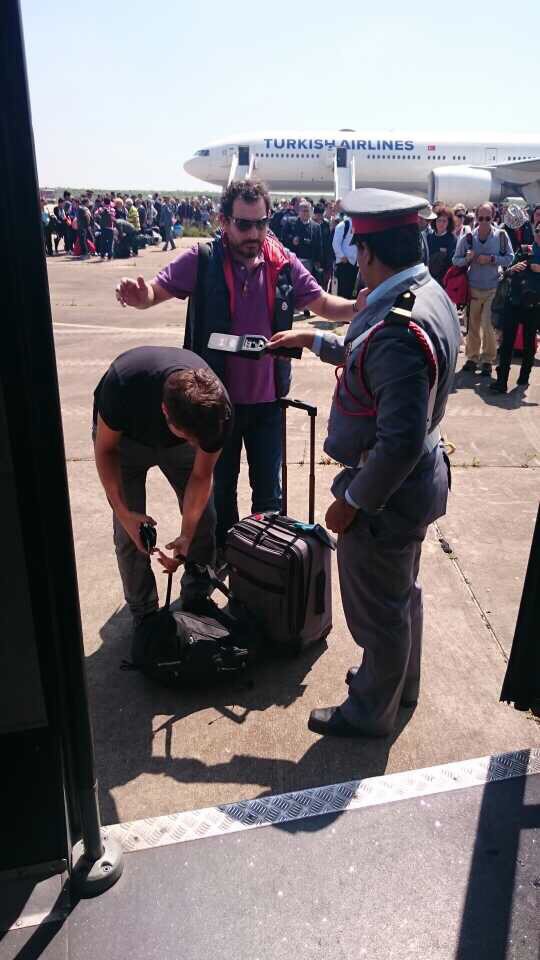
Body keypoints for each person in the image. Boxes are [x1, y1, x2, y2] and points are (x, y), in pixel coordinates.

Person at [268, 188, 461, 738]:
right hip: (417, 480)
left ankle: (370, 709)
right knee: (400, 595)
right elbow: (370, 354)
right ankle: (400, 684)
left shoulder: (400, 325)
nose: (354, 260)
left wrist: (351, 502)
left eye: (357, 250)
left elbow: (397, 440)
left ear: (372, 252)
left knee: (378, 610)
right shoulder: (423, 291)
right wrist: (318, 340)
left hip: (389, 491)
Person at [115, 179, 364, 554]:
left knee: (269, 496)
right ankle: (226, 559)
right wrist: (140, 296)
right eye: (244, 224)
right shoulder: (202, 259)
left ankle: (265, 566)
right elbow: (156, 290)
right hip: (216, 405)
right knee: (221, 493)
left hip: (267, 403)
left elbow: (324, 304)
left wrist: (358, 306)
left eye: (261, 223)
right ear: (223, 221)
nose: (254, 233)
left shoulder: (282, 263)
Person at [93, 346, 233, 628]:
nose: (197, 445)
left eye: (199, 440)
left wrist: (186, 536)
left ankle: (197, 596)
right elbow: (105, 451)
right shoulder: (122, 386)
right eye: (191, 438)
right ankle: (144, 613)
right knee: (129, 533)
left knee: (204, 518)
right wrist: (123, 513)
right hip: (126, 442)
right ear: (165, 411)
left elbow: (201, 476)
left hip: (175, 441)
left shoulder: (216, 413)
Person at [453, 202, 513, 376]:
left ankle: (487, 359)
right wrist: (467, 259)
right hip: (472, 287)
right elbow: (455, 260)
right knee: (472, 325)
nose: (484, 221)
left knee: (487, 324)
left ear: (494, 217)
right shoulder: (468, 238)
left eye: (488, 218)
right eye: (481, 218)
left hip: (493, 286)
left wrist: (492, 259)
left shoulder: (501, 236)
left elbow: (510, 258)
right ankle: (472, 358)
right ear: (476, 218)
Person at [490, 223, 540, 392]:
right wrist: (512, 269)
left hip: (534, 305)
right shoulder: (525, 249)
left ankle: (524, 377)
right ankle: (501, 380)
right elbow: (508, 271)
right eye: (538, 231)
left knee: (529, 343)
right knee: (507, 343)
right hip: (515, 301)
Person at [426, 205, 457, 284]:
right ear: (434, 221)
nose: (441, 223)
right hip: (427, 278)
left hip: (443, 281)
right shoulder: (429, 237)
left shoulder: (452, 239)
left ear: (449, 223)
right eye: (439, 220)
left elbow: (451, 262)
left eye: (444, 221)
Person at [332, 212, 358, 297]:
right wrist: (342, 256)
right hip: (344, 262)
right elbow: (335, 243)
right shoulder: (343, 225)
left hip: (354, 263)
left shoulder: (358, 225)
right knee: (342, 291)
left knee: (350, 290)